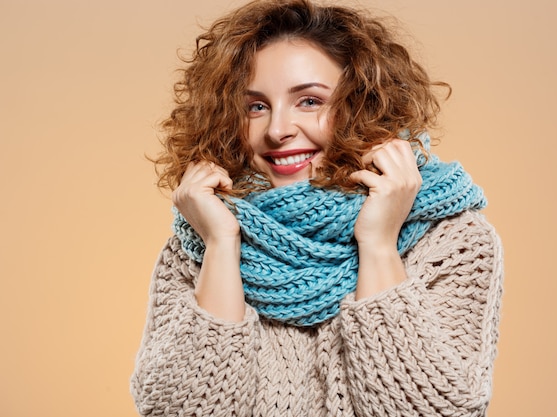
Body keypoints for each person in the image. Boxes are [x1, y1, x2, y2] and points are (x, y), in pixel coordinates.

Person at [131, 0, 504, 415]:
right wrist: (221, 245)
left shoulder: (452, 240)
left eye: (309, 101)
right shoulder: (199, 241)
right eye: (256, 106)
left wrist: (379, 243)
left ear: (364, 106)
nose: (277, 130)